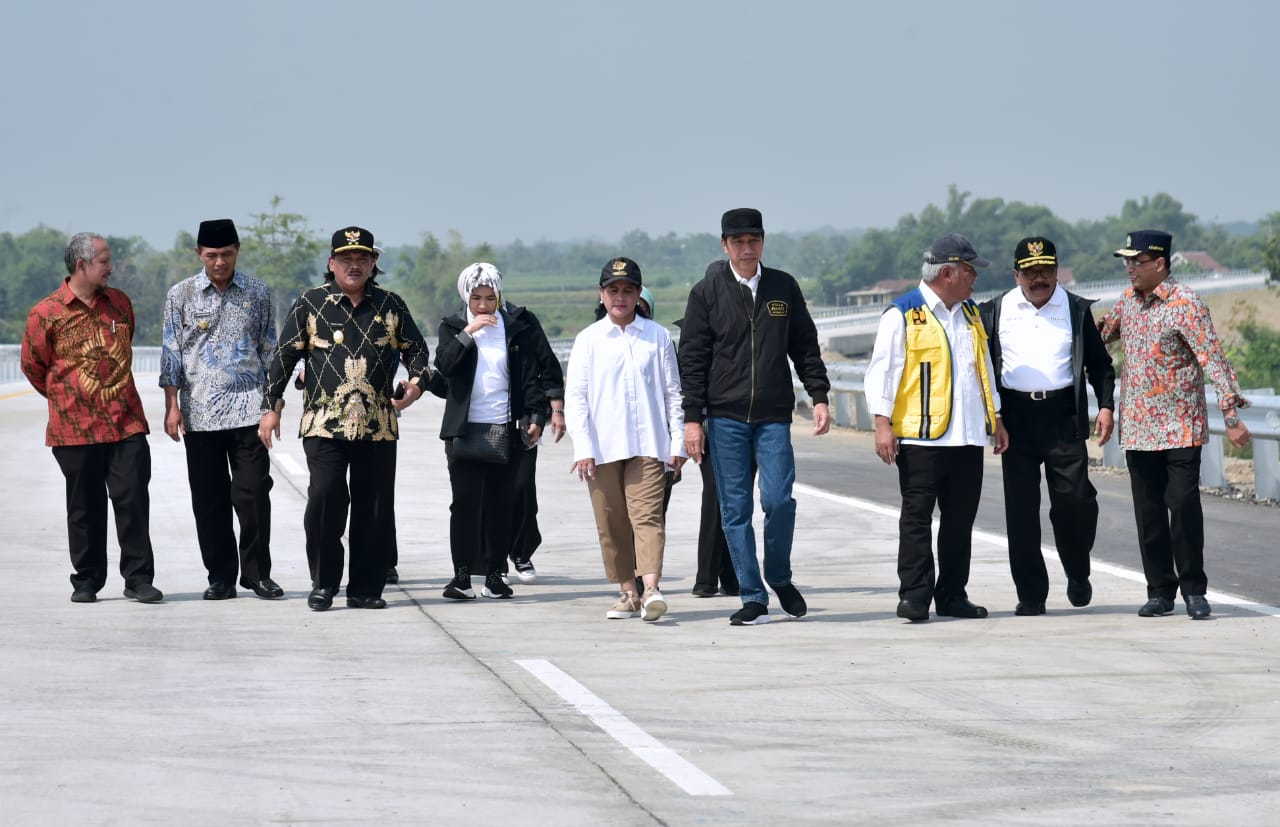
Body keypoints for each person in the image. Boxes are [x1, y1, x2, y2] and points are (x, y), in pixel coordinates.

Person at [258, 227, 430, 611]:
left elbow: (418, 353)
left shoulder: (392, 305)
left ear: (373, 264)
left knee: (374, 508)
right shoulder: (310, 303)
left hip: (378, 425)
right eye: (347, 259)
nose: (355, 265)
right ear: (331, 263)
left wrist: (415, 386)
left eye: (363, 258)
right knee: (325, 499)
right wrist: (271, 407)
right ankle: (323, 583)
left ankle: (366, 589)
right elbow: (283, 357)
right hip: (324, 423)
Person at [678, 208, 831, 626]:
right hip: (724, 418)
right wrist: (693, 420)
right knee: (735, 509)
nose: (747, 249)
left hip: (774, 416)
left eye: (754, 240)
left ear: (763, 242)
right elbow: (691, 359)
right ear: (725, 245)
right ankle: (752, 594)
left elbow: (805, 346)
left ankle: (779, 576)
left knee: (779, 500)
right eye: (738, 242)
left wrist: (819, 396)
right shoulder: (706, 292)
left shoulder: (783, 287)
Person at [1098, 230, 1252, 620]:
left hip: (1181, 427)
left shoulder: (1186, 304)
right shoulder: (1127, 304)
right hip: (1138, 430)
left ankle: (1194, 590)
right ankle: (1160, 591)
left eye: (1137, 261)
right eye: (1127, 262)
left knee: (1182, 506)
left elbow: (1214, 360)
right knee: (1148, 514)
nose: (1130, 269)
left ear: (1161, 264)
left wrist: (1231, 416)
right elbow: (1100, 336)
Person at [865, 233, 1009, 622]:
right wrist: (882, 424)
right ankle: (914, 595)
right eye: (970, 271)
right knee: (917, 519)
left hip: (966, 437)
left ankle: (952, 594)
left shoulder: (971, 314)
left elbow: (984, 370)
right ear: (948, 272)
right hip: (920, 438)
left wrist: (995, 418)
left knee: (960, 523)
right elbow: (883, 373)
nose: (974, 278)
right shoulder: (903, 314)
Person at [21, 232, 163, 604]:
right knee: (84, 507)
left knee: (132, 500)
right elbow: (33, 366)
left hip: (125, 423)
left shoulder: (119, 304)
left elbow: (126, 343)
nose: (111, 267)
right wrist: (67, 399)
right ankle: (86, 579)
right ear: (81, 265)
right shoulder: (46, 313)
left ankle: (138, 578)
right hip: (74, 431)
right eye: (104, 261)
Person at [979, 237, 1115, 615]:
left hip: (1062, 417)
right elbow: (984, 369)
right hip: (1016, 421)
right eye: (1030, 271)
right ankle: (1031, 593)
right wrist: (995, 418)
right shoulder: (995, 310)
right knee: (1021, 512)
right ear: (1016, 273)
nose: (1039, 278)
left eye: (1046, 270)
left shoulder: (1074, 308)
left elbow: (1100, 366)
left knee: (1075, 503)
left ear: (1057, 271)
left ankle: (1077, 571)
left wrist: (1105, 406)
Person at [160, 219, 281, 601]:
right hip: (200, 415)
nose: (219, 262)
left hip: (249, 411)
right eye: (211, 255)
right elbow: (172, 354)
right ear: (199, 254)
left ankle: (258, 574)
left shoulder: (258, 294)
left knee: (253, 494)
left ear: (237, 251)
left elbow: (270, 352)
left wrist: (272, 407)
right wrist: (172, 407)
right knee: (209, 500)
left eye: (226, 254)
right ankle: (221, 577)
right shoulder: (180, 296)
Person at [566, 258, 686, 621]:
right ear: (602, 295)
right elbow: (577, 398)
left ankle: (651, 589)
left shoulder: (657, 336)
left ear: (638, 295)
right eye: (613, 290)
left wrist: (677, 442)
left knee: (648, 518)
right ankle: (627, 593)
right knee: (611, 521)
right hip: (602, 449)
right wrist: (583, 447)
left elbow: (673, 394)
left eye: (628, 291)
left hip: (649, 444)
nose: (621, 297)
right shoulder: (588, 340)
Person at [435, 263, 546, 601]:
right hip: (463, 431)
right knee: (464, 504)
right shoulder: (453, 326)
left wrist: (536, 415)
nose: (484, 306)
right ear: (465, 297)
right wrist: (469, 333)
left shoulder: (514, 329)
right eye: (476, 298)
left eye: (490, 298)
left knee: (502, 504)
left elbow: (529, 376)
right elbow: (444, 365)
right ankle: (462, 575)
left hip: (504, 428)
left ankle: (496, 575)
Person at [504, 294, 564, 584]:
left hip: (525, 417)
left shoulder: (523, 320)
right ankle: (493, 560)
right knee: (486, 493)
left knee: (522, 488)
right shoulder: (462, 324)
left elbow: (547, 364)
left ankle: (521, 552)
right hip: (481, 422)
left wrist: (555, 409)